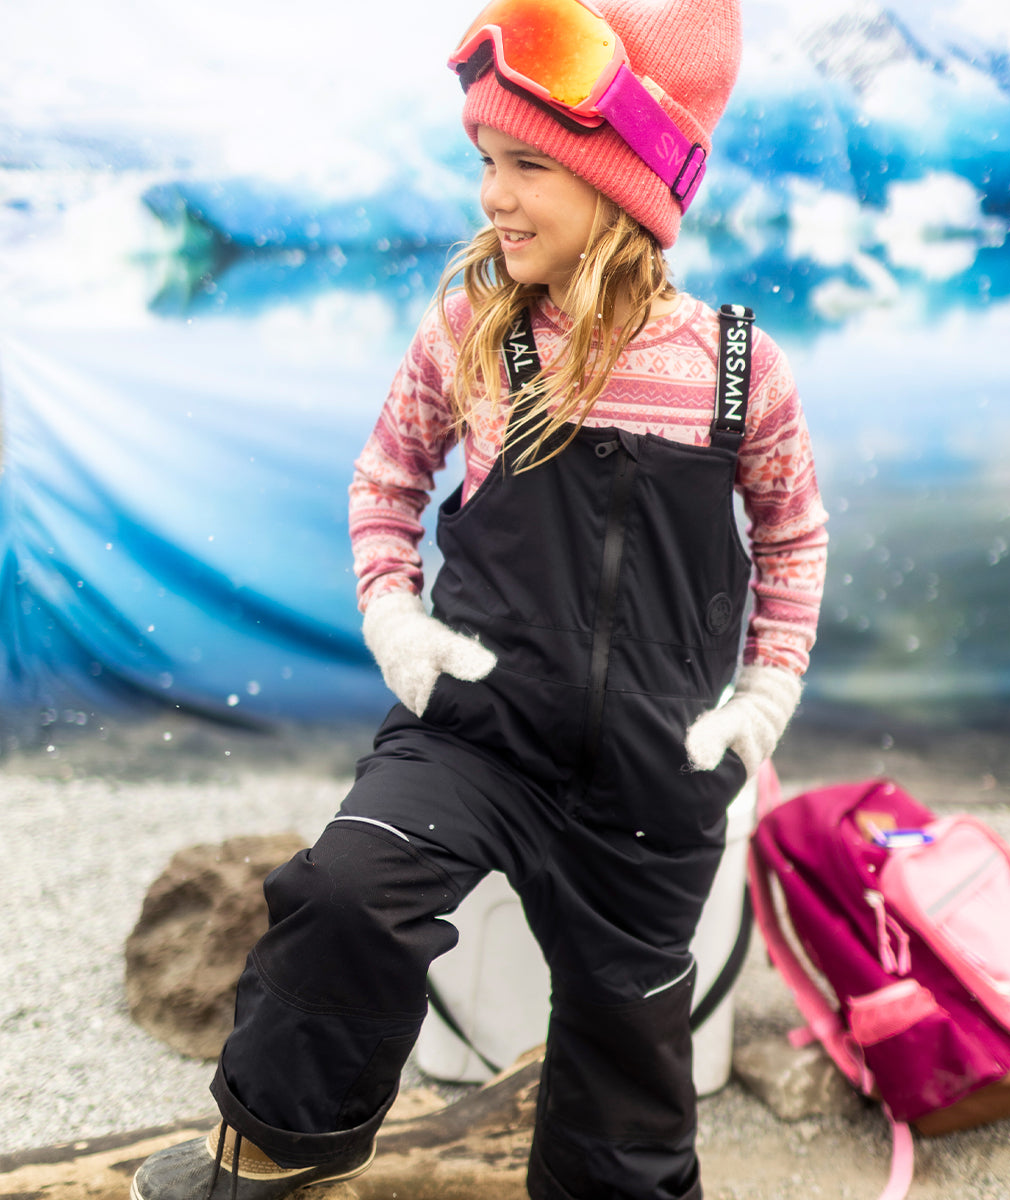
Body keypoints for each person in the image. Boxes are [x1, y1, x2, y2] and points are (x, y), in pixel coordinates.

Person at [130, 1, 828, 1198]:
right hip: (481, 735)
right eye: (485, 165)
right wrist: (397, 623)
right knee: (346, 894)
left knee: (628, 1123)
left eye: (527, 167)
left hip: (657, 773)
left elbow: (793, 539)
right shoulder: (472, 330)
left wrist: (762, 700)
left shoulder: (734, 367)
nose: (494, 197)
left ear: (623, 189)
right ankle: (267, 1157)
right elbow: (384, 480)